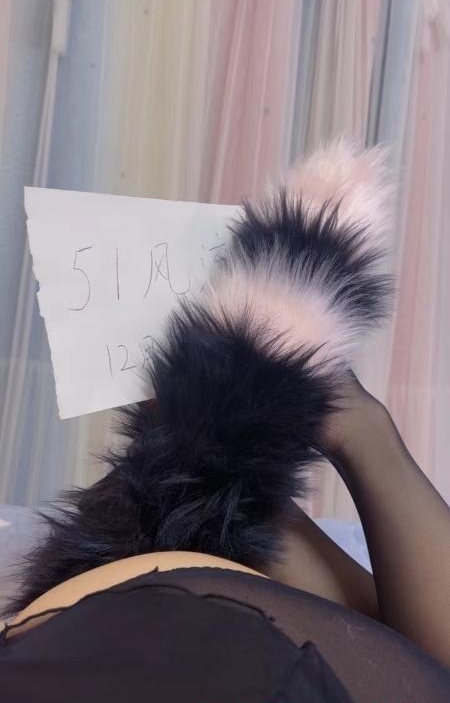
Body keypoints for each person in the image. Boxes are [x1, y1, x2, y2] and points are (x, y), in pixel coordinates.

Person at [1, 142, 449, 701]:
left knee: (206, 496)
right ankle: (328, 433)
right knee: (216, 498)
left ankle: (219, 465)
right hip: (209, 642)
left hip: (100, 634)